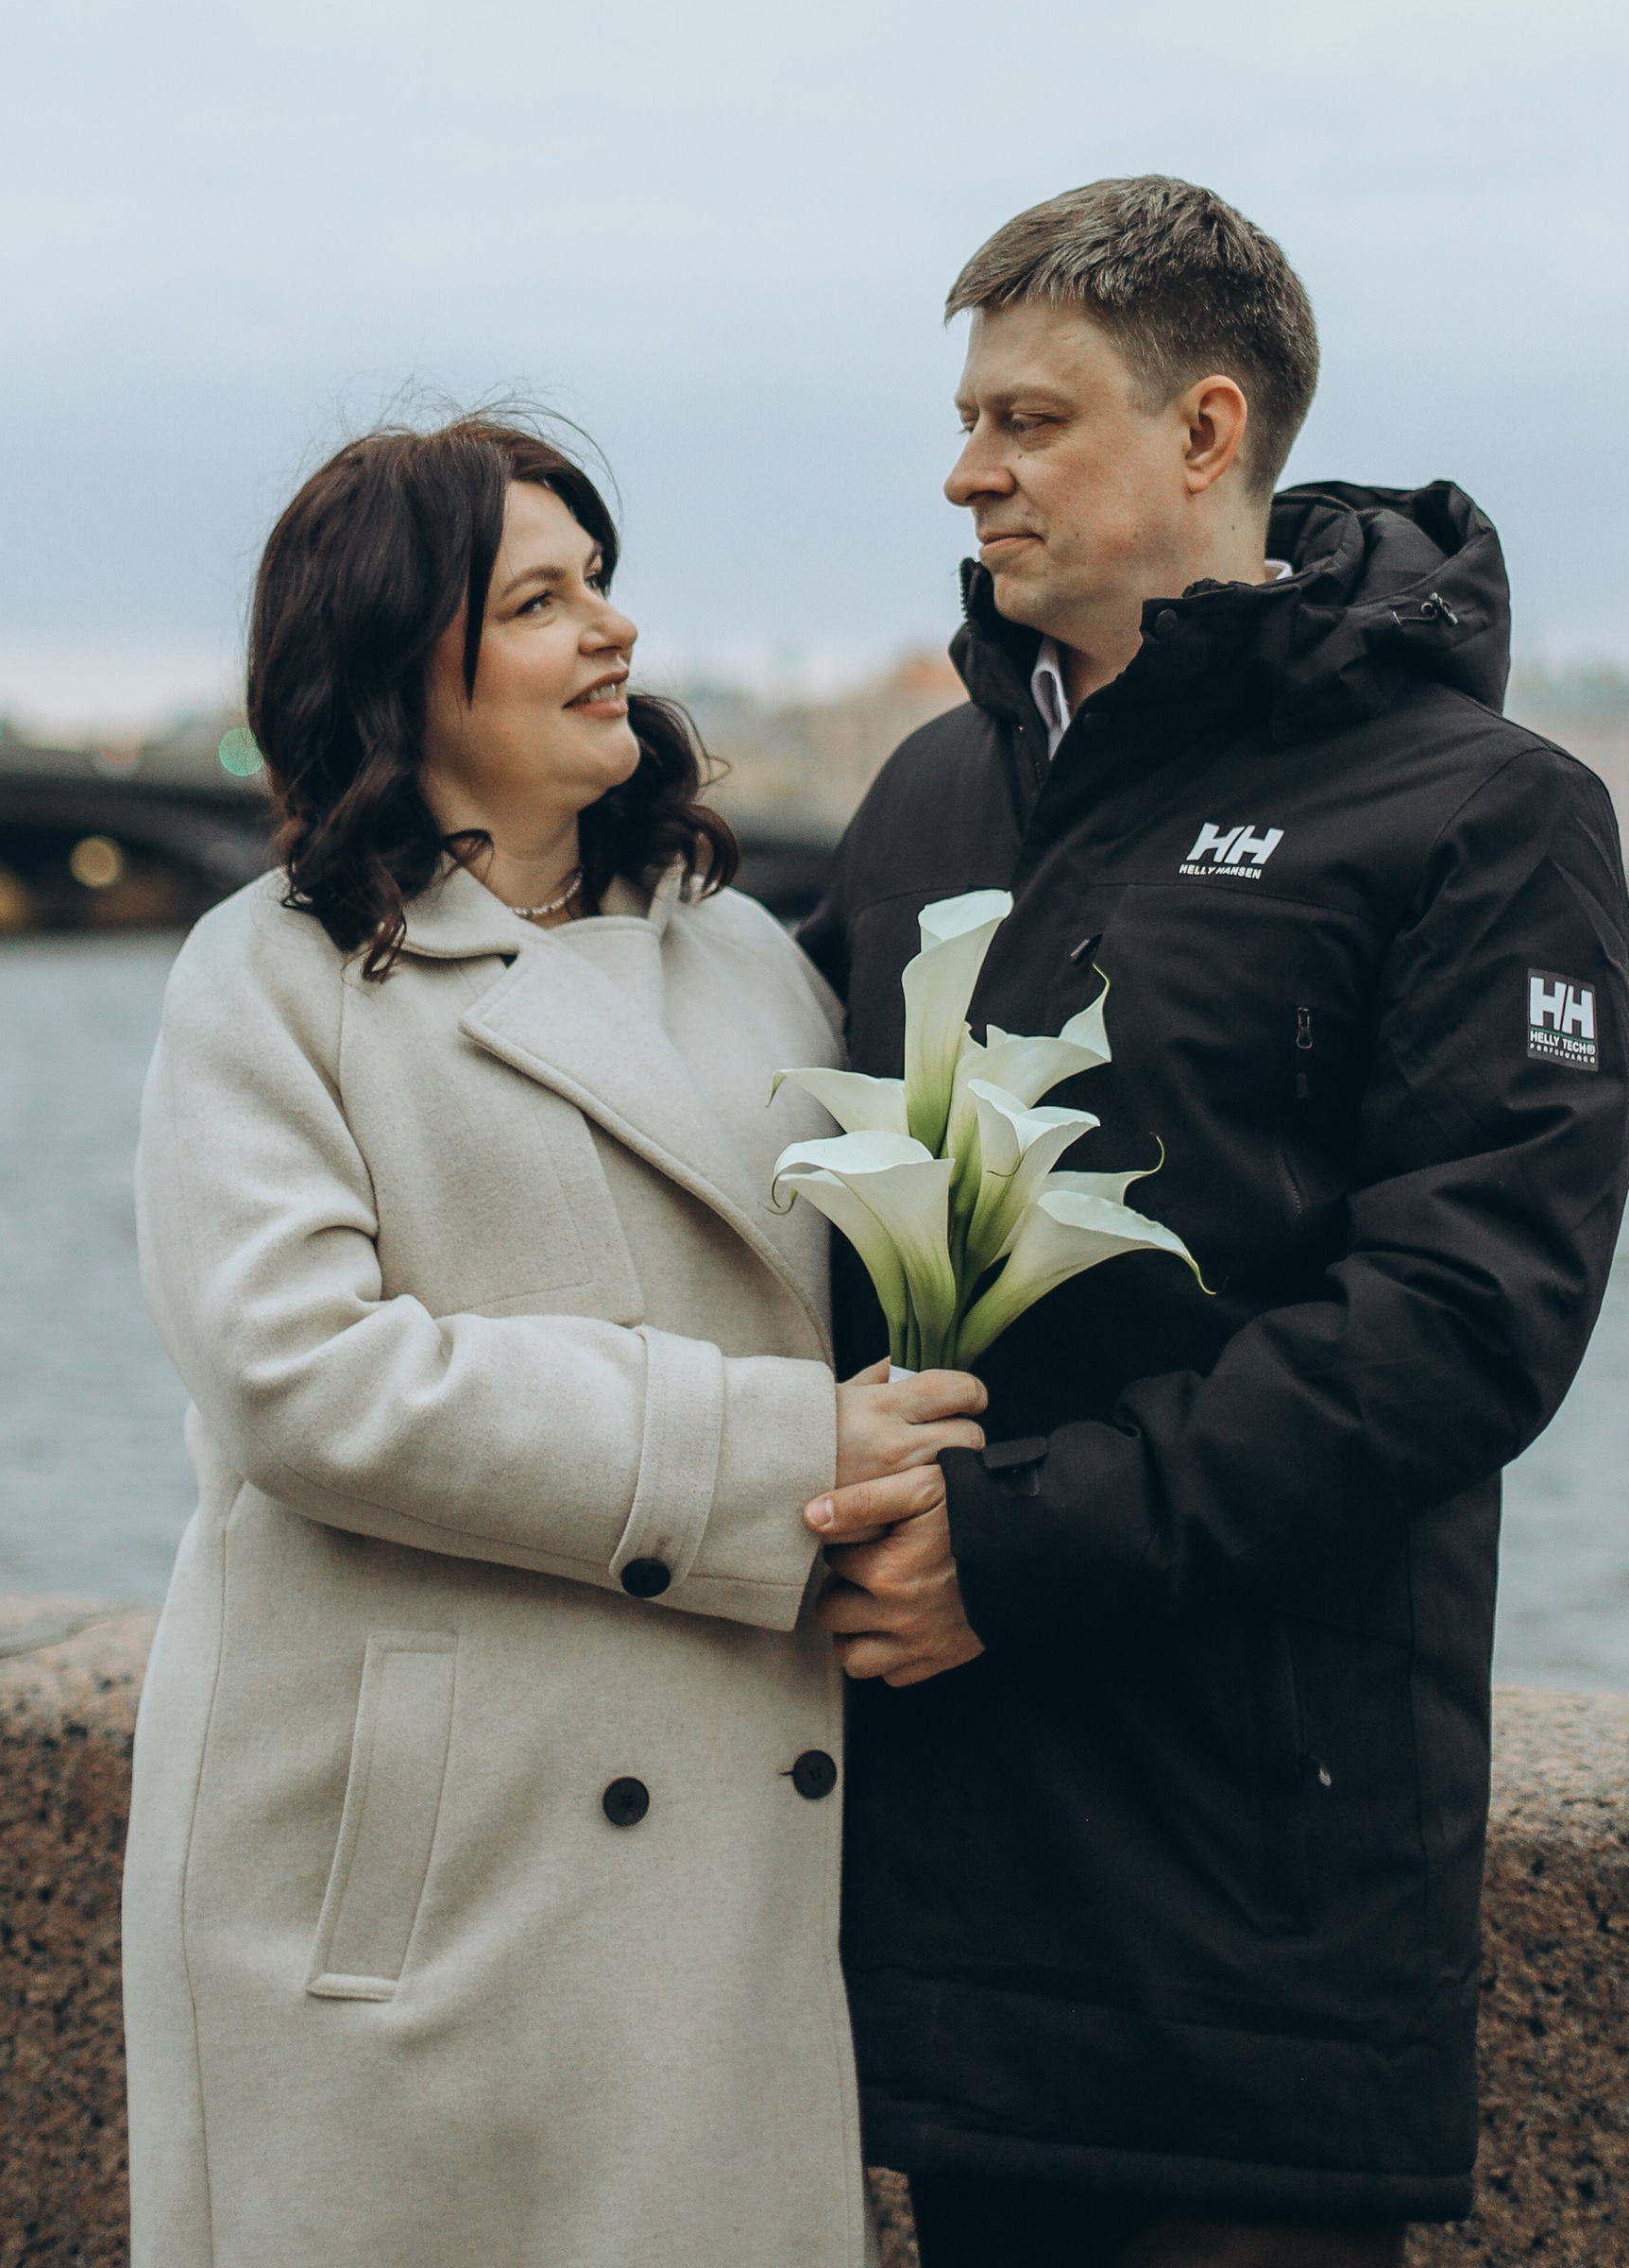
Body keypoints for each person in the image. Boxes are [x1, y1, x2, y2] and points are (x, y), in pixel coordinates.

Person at [795, 179, 1629, 2268]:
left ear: (1202, 431)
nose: (964, 469)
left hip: (1257, 1874)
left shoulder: (1481, 811)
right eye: (966, 417)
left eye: (1027, 418)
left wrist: (1006, 1548)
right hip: (953, 1858)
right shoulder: (928, 794)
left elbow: (1460, 1324)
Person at [121, 415, 985, 2268]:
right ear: (393, 668)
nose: (609, 630)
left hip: (722, 1873)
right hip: (413, 1873)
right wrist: (781, 1457)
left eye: (599, 584)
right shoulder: (268, 978)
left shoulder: (747, 956)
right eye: (538, 599)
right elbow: (303, 1383)